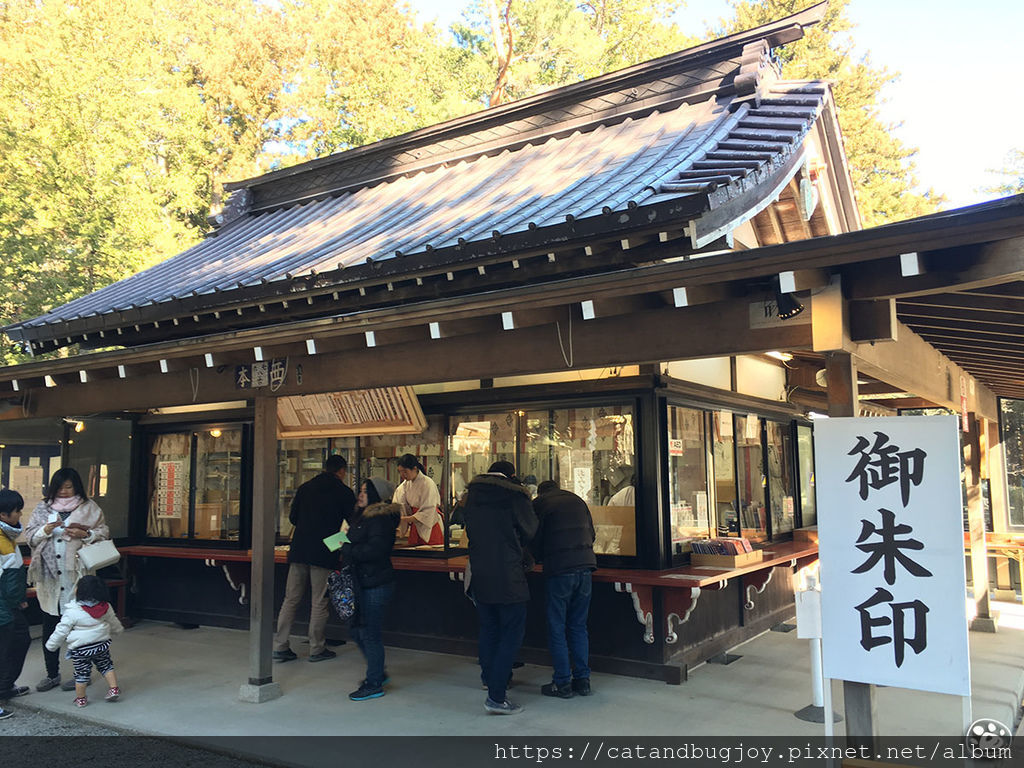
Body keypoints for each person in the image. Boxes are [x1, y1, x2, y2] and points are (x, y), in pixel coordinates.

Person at [24, 467, 110, 692]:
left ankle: (82, 674)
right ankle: (52, 674)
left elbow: (104, 533)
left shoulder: (89, 507)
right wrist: (45, 530)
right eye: (60, 487)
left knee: (81, 629)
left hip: (78, 577)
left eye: (69, 486)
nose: (64, 491)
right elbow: (30, 536)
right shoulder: (43, 507)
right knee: (50, 627)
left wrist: (86, 534)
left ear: (77, 486)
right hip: (50, 579)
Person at [462, 460, 537, 715]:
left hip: (480, 573)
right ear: (512, 475)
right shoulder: (514, 495)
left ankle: (489, 678)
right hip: (508, 574)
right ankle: (497, 696)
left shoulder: (472, 496)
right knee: (511, 634)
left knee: (489, 629)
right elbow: (531, 530)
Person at [274, 454, 355, 663]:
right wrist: (336, 543)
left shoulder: (305, 487)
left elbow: (293, 518)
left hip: (299, 549)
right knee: (319, 601)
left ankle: (280, 645)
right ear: (342, 471)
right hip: (323, 552)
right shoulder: (344, 492)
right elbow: (353, 524)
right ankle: (316, 648)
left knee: (290, 599)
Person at [532, 480, 597, 698]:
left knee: (557, 626)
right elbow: (592, 534)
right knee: (579, 626)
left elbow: (534, 537)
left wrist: (533, 557)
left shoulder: (540, 503)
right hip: (586, 567)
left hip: (560, 570)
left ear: (541, 492)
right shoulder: (577, 501)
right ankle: (583, 680)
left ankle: (562, 683)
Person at [341, 478, 400, 702]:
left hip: (375, 583)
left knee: (369, 632)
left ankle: (374, 682)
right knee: (357, 629)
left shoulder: (380, 519)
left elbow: (376, 550)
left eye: (366, 491)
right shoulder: (362, 517)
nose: (361, 494)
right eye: (361, 490)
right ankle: (377, 672)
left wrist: (346, 548)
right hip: (361, 581)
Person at [44, 574, 123, 707]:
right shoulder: (105, 606)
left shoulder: (73, 610)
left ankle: (81, 699)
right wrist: (118, 630)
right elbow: (113, 620)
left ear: (78, 591)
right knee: (106, 666)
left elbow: (61, 630)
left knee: (81, 674)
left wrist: (51, 645)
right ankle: (114, 688)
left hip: (81, 649)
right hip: (101, 645)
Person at [0, 490, 31, 717]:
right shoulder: (3, 541)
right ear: (3, 515)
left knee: (20, 639)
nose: (20, 514)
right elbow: (10, 578)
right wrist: (17, 599)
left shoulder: (7, 535)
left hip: (9, 604)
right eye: (17, 511)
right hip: (4, 607)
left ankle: (5, 687)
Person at [394, 454, 443, 547]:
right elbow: (399, 504)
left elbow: (428, 511)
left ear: (415, 468)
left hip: (430, 525)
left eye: (405, 471)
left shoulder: (428, 483)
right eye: (400, 472)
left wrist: (405, 519)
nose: (402, 475)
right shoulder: (403, 486)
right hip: (415, 525)